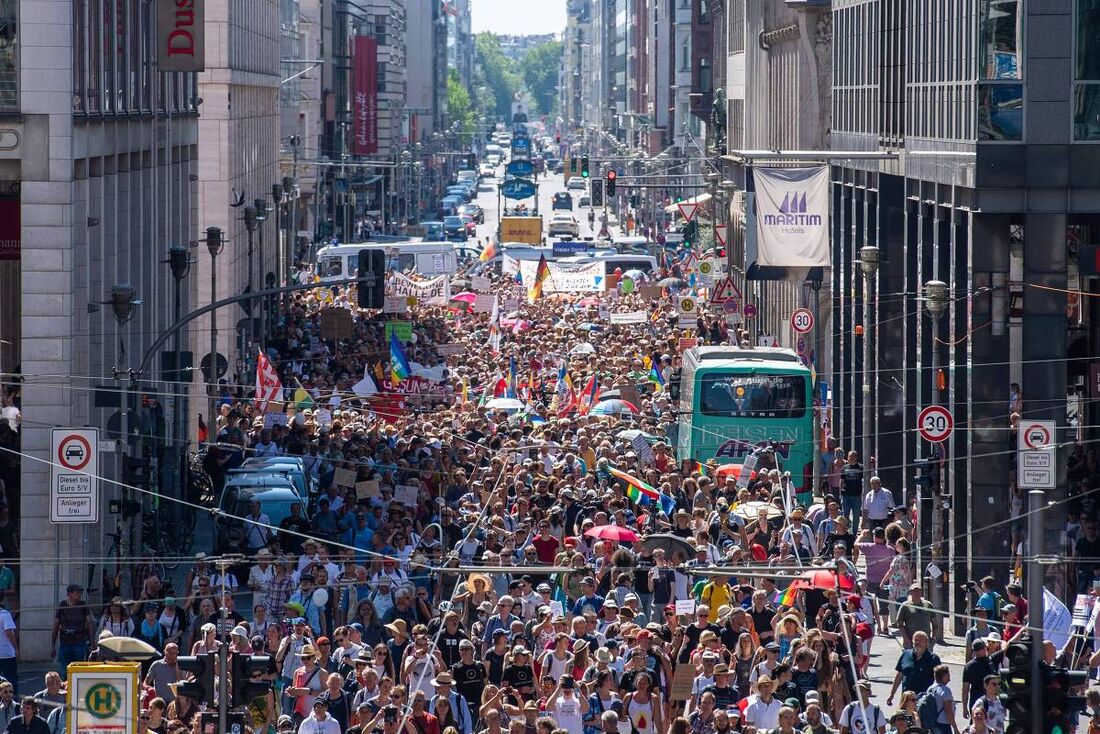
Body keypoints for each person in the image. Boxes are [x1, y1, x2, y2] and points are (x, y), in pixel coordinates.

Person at [52, 584, 93, 670]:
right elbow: (56, 626)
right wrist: (52, 646)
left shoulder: (83, 606)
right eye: (77, 592)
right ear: (69, 594)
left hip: (79, 643)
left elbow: (90, 624)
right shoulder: (62, 606)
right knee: (64, 671)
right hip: (65, 643)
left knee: (79, 670)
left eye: (81, 593)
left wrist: (92, 642)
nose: (79, 595)